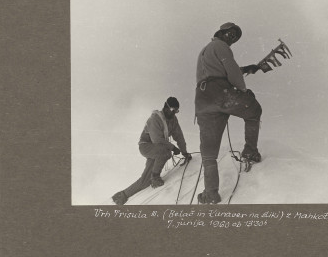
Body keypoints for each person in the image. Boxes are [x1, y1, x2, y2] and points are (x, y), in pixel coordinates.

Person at [195, 22, 262, 204]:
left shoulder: (206, 50)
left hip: (202, 101)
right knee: (254, 110)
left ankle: (211, 193)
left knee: (209, 152)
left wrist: (247, 69)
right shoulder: (221, 46)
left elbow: (218, 71)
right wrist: (243, 89)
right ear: (222, 32)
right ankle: (250, 152)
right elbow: (230, 70)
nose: (232, 39)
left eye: (235, 37)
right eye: (231, 34)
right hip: (221, 94)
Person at [112, 97, 192, 205]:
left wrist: (184, 152)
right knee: (165, 152)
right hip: (146, 146)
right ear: (166, 107)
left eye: (176, 111)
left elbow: (179, 136)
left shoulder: (173, 120)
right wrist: (173, 147)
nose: (174, 113)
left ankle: (123, 195)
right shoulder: (155, 119)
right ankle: (155, 177)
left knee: (145, 181)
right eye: (173, 110)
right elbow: (156, 139)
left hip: (157, 149)